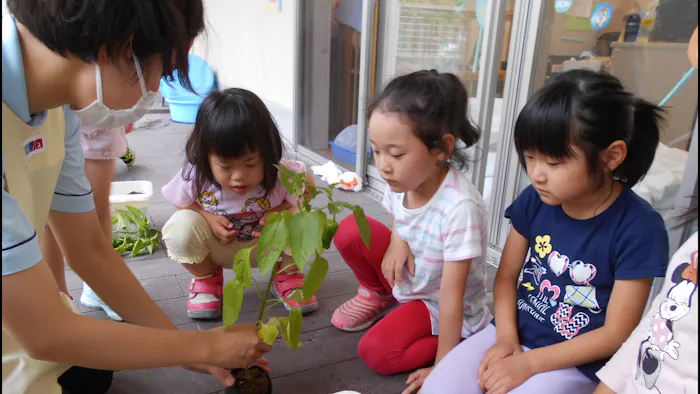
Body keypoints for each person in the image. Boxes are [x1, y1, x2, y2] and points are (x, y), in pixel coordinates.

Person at [2, 2, 271, 393]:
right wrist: (207, 343)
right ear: (122, 49)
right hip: (25, 330)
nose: (156, 88)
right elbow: (45, 335)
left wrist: (185, 349)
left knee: (95, 368)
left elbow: (89, 247)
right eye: (163, 71)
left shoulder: (57, 108)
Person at [421, 69, 669, 394]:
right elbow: (507, 277)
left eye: (553, 163)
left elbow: (616, 334)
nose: (536, 174)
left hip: (580, 364)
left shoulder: (639, 228)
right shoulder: (536, 200)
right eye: (530, 156)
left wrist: (528, 364)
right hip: (514, 334)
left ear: (611, 157)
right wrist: (507, 339)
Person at [331, 70, 492, 394]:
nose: (384, 165)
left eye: (396, 153)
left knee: (376, 352)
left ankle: (462, 346)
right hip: (412, 276)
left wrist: (442, 368)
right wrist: (397, 239)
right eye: (376, 151)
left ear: (442, 148)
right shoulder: (402, 179)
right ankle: (379, 296)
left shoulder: (459, 208)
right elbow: (401, 218)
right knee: (350, 231)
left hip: (439, 302)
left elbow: (451, 298)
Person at [160, 88, 319, 319]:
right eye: (225, 167)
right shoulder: (195, 176)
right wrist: (206, 215)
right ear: (206, 156)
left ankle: (288, 274)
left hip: (267, 248)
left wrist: (279, 211)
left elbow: (308, 189)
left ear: (268, 151)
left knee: (302, 217)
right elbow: (180, 201)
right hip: (219, 249)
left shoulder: (281, 174)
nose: (238, 176)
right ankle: (206, 279)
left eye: (251, 163)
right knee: (180, 225)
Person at [41, 122, 134, 322]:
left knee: (95, 209)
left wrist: (125, 109)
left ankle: (99, 288)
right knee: (47, 212)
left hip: (96, 115)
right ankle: (58, 298)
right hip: (43, 115)